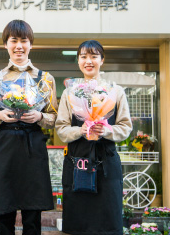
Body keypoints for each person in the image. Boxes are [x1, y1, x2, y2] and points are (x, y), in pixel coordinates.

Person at [0, 20, 58, 235]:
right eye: (14, 40)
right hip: (3, 147)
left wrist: (40, 116)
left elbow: (55, 118)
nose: (19, 46)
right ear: (6, 44)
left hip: (33, 146)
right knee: (4, 213)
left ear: (31, 44)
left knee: (33, 215)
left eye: (24, 40)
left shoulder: (46, 80)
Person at [55, 40, 132, 235]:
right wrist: (81, 130)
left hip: (106, 161)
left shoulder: (115, 91)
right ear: (78, 61)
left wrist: (105, 130)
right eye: (83, 57)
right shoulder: (69, 92)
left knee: (108, 223)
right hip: (77, 162)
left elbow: (125, 127)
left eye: (94, 56)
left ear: (102, 60)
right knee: (78, 224)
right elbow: (61, 129)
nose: (88, 61)